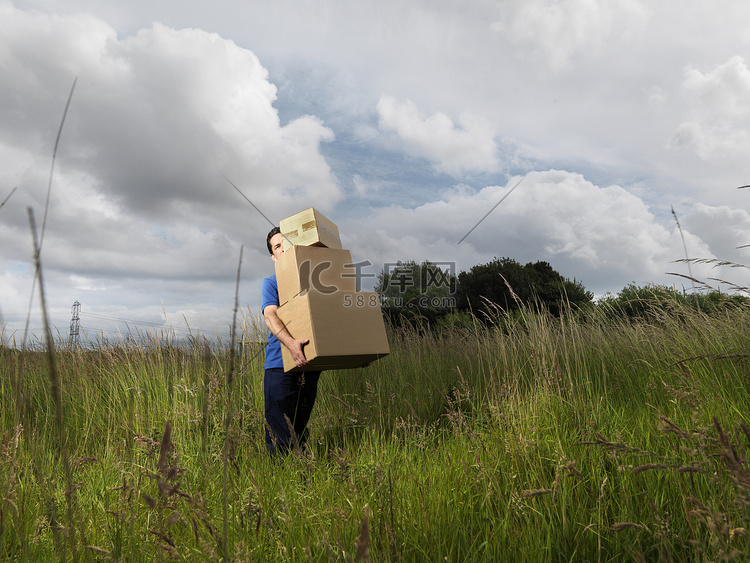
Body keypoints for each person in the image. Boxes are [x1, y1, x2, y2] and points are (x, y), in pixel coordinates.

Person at [261, 226, 321, 455]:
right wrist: (290, 343)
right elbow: (270, 315)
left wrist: (357, 353)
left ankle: (302, 478)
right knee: (280, 436)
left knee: (299, 430)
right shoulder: (271, 282)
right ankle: (279, 482)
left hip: (310, 365)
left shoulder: (312, 283)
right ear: (273, 256)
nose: (283, 249)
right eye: (277, 247)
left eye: (285, 244)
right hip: (280, 366)